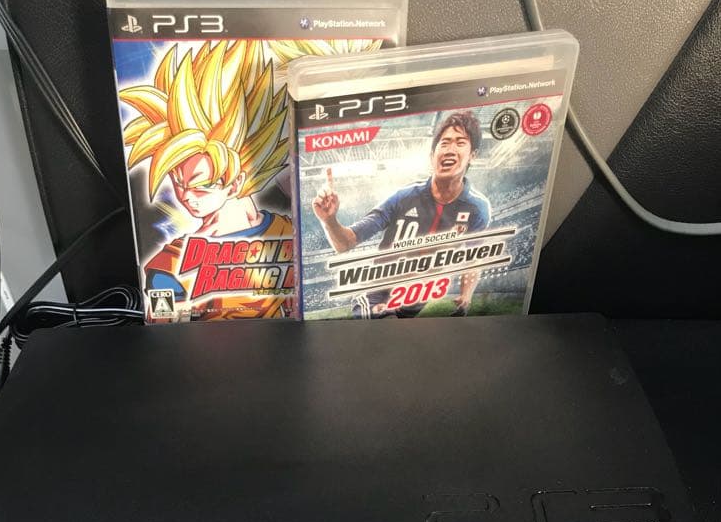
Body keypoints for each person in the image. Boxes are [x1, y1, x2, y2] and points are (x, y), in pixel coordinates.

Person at [121, 40, 291, 318]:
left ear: (236, 182)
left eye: (200, 185)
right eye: (178, 182)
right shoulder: (170, 266)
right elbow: (165, 328)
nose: (185, 196)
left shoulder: (288, 233)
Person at [312, 111, 491, 317]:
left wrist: (466, 295)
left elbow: (473, 258)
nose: (450, 150)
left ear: (473, 155)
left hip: (415, 298)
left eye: (460, 142)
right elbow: (345, 243)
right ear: (432, 156)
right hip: (378, 293)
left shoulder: (477, 209)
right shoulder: (403, 198)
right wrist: (329, 220)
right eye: (444, 143)